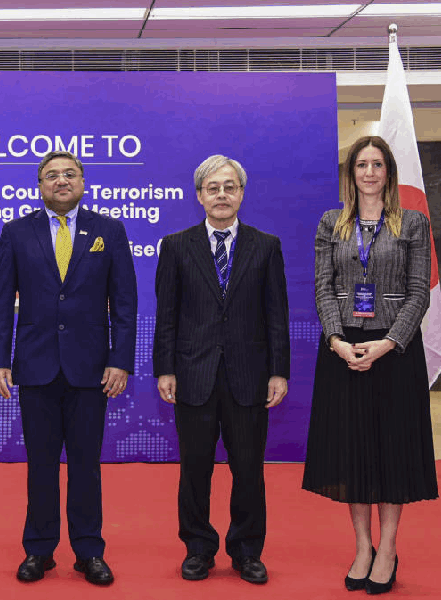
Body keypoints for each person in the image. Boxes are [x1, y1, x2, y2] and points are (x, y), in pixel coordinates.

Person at [0, 150, 137, 586]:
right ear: (40, 185)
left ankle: (89, 550)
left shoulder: (109, 230)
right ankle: (39, 550)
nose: (61, 181)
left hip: (92, 369)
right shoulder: (16, 233)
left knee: (86, 465)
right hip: (35, 368)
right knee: (41, 465)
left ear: (83, 181)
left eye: (70, 174)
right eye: (52, 175)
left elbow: (125, 303)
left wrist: (120, 359)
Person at [302, 136, 438, 595]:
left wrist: (387, 343)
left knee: (391, 452)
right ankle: (362, 546)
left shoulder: (413, 223)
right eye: (362, 164)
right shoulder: (330, 223)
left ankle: (388, 547)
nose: (370, 172)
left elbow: (419, 291)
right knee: (352, 452)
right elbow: (323, 287)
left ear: (389, 173)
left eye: (378, 164)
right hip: (343, 350)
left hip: (395, 352)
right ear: (351, 173)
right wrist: (338, 340)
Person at [153, 154, 289, 585]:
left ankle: (247, 550)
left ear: (242, 193)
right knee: (195, 469)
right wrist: (165, 368)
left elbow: (276, 315)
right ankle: (198, 548)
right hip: (193, 374)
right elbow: (167, 315)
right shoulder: (176, 246)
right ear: (199, 196)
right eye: (213, 188)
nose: (222, 195)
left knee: (248, 468)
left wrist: (278, 371)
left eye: (230, 186)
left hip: (249, 376)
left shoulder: (266, 246)